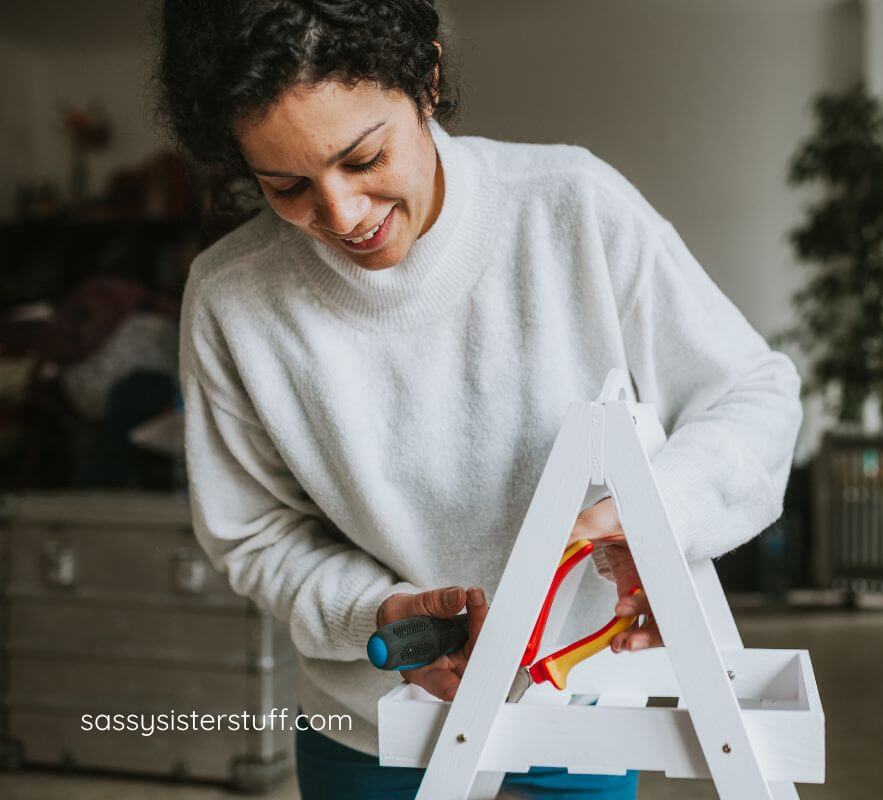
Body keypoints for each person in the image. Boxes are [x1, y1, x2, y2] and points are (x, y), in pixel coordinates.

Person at [157, 1, 802, 798]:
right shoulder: (231, 298)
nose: (342, 213)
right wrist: (377, 613)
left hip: (578, 705)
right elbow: (254, 535)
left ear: (425, 81)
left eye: (364, 158)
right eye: (287, 186)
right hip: (373, 729)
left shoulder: (573, 207)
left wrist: (656, 517)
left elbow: (752, 393)